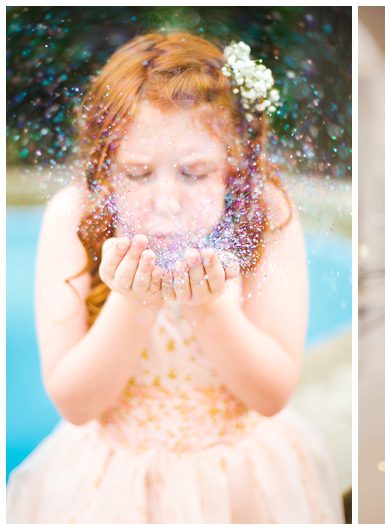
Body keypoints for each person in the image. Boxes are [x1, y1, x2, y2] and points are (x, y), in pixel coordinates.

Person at [7, 32, 343, 523]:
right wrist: (132, 304)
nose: (166, 201)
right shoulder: (74, 216)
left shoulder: (265, 214)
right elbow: (77, 405)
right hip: (111, 485)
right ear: (105, 167)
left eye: (194, 173)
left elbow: (271, 394)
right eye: (138, 173)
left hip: (240, 479)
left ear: (234, 167)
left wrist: (209, 309)